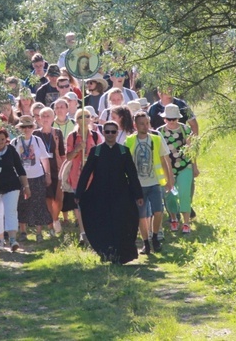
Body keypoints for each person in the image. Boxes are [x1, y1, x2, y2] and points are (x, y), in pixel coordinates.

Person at [75, 121, 144, 264]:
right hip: (99, 194)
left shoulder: (124, 151)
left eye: (113, 132)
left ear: (117, 133)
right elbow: (86, 173)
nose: (110, 134)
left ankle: (122, 255)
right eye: (107, 132)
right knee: (102, 223)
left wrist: (138, 195)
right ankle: (105, 252)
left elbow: (132, 175)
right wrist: (79, 194)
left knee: (122, 222)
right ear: (104, 133)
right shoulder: (97, 151)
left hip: (121, 194)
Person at [125, 112, 174, 254]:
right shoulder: (129, 141)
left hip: (154, 183)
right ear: (135, 125)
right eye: (142, 123)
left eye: (147, 123)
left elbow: (165, 160)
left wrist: (168, 180)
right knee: (141, 216)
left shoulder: (156, 139)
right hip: (138, 185)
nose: (145, 126)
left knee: (158, 211)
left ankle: (155, 237)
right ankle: (145, 243)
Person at [64, 109, 103, 243]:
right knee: (79, 204)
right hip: (77, 175)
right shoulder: (72, 136)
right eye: (81, 117)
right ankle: (83, 232)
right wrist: (77, 149)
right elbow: (68, 157)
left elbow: (101, 156)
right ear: (77, 120)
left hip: (93, 176)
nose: (84, 119)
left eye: (87, 116)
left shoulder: (96, 136)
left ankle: (94, 230)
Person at [158, 104, 197, 235]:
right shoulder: (159, 132)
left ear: (178, 118)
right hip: (167, 169)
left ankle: (186, 223)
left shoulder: (185, 129)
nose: (171, 121)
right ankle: (174, 219)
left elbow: (191, 149)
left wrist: (195, 166)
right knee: (170, 196)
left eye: (174, 119)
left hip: (184, 166)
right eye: (168, 119)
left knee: (184, 193)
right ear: (164, 119)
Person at [12, 116, 53, 241]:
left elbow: (44, 159)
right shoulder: (15, 142)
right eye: (24, 127)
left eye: (29, 126)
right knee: (21, 204)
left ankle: (39, 232)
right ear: (20, 128)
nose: (27, 129)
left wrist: (48, 174)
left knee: (39, 203)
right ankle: (23, 231)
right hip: (21, 178)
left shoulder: (37, 140)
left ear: (33, 127)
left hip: (37, 177)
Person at [34, 106, 66, 235]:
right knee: (48, 197)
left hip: (56, 168)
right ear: (39, 119)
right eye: (43, 116)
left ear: (53, 118)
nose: (46, 118)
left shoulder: (57, 132)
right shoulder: (36, 133)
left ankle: (55, 218)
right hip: (41, 170)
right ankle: (51, 223)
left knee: (58, 199)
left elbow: (62, 153)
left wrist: (64, 169)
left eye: (48, 116)